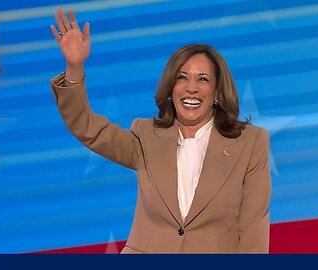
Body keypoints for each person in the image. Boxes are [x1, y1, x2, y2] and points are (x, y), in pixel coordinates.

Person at [49, 8, 271, 254]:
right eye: (182, 78)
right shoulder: (146, 136)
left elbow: (253, 227)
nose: (191, 88)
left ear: (217, 93)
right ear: (171, 87)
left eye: (203, 80)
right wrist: (74, 68)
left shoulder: (250, 143)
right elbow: (88, 128)